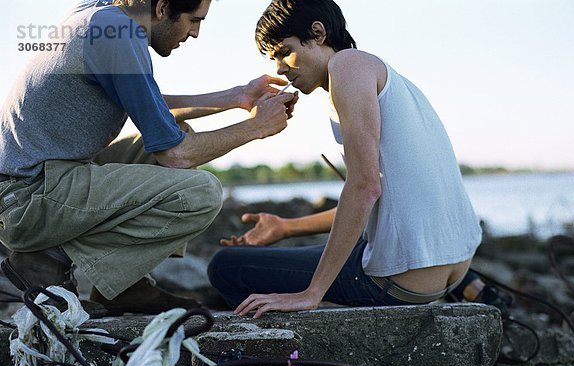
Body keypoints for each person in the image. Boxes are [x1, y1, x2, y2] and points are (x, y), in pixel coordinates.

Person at [0, 0, 298, 313]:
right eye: (193, 20)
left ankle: (123, 286)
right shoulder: (119, 33)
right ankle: (47, 260)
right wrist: (256, 127)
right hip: (28, 200)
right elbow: (175, 155)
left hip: (27, 189)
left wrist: (238, 97)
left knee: (175, 129)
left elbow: (147, 102)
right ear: (162, 8)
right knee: (201, 192)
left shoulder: (102, 17)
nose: (195, 33)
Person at [207, 0, 497, 319]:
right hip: (451, 265)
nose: (279, 68)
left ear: (318, 33)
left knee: (227, 266)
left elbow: (365, 188)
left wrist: (311, 294)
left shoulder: (346, 66)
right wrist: (285, 227)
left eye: (283, 51)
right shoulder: (385, 76)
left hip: (400, 282)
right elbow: (377, 198)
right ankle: (465, 284)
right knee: (344, 246)